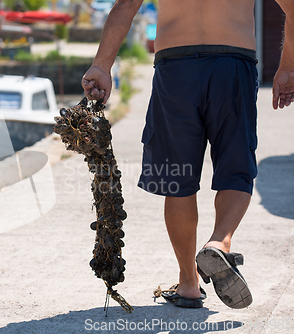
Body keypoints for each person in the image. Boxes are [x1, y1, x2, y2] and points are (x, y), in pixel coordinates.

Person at [82, 0, 294, 309]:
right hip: (233, 63)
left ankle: (189, 283)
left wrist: (101, 66)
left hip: (176, 67)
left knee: (177, 178)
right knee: (236, 166)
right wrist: (287, 67)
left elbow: (127, 5)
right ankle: (219, 242)